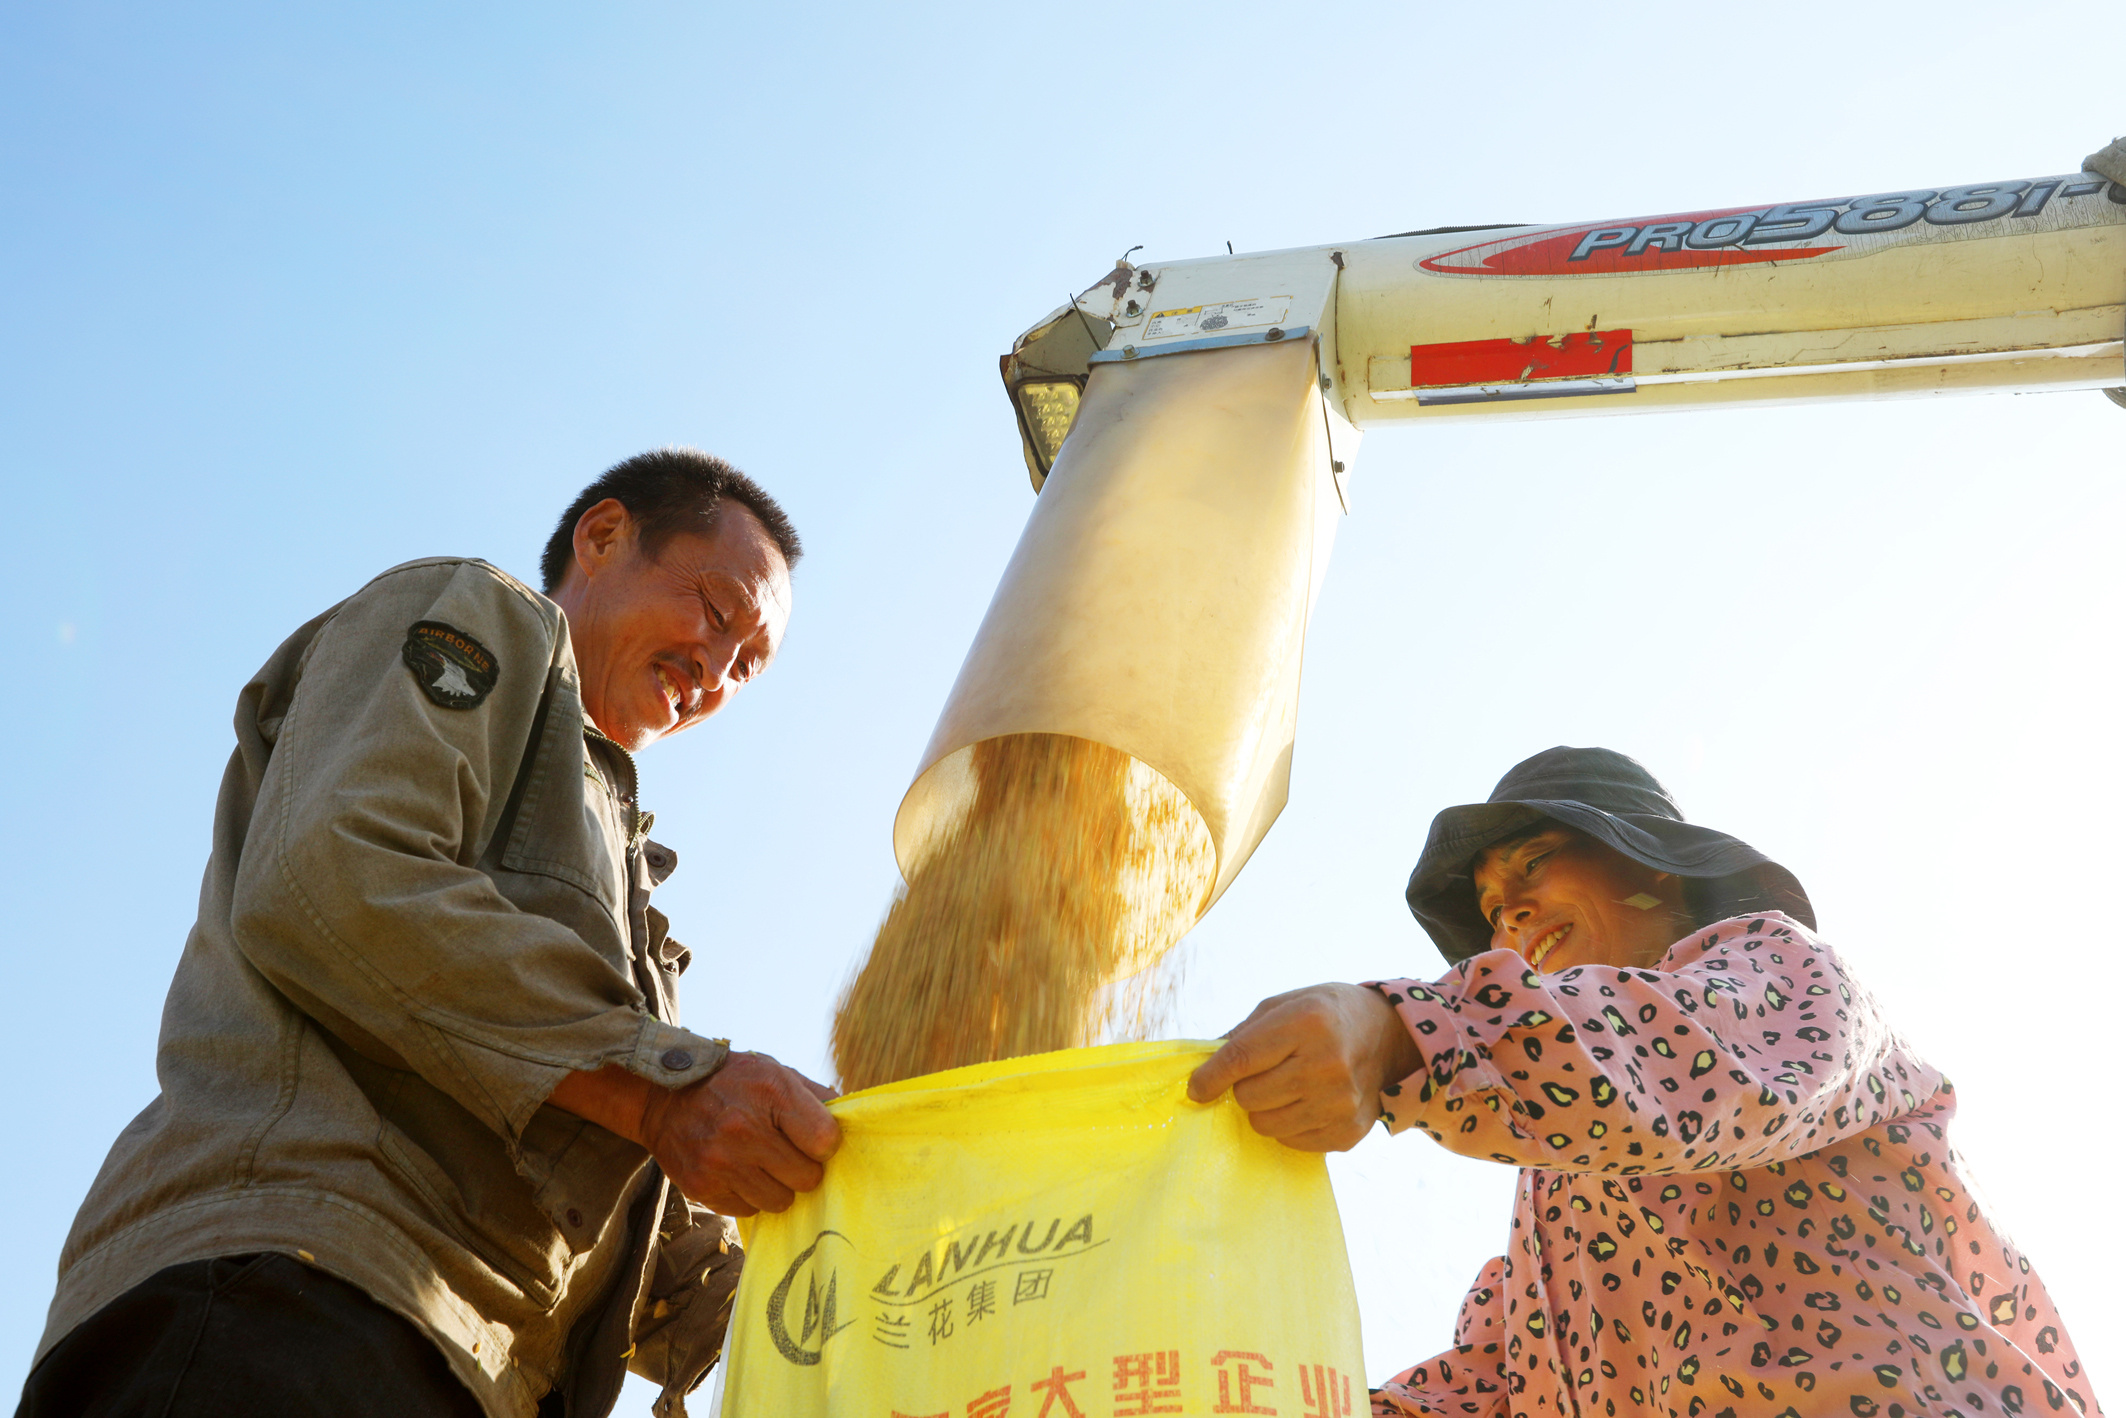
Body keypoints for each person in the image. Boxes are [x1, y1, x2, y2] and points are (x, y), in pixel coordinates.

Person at [19, 449, 841, 1418]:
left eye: (748, 663)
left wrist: (849, 1208)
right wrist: (670, 1089)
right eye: (713, 609)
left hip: (476, 1365)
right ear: (605, 535)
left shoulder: (626, 885)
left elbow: (617, 1184)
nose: (716, 668)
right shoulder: (487, 616)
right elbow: (336, 875)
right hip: (298, 1296)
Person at [1188, 746, 2098, 1418]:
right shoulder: (1553, 1206)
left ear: (1657, 866)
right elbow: (1491, 1390)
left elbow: (1675, 1066)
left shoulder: (1784, 977)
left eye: (1536, 863)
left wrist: (1399, 1034)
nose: (1512, 914)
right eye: (1497, 909)